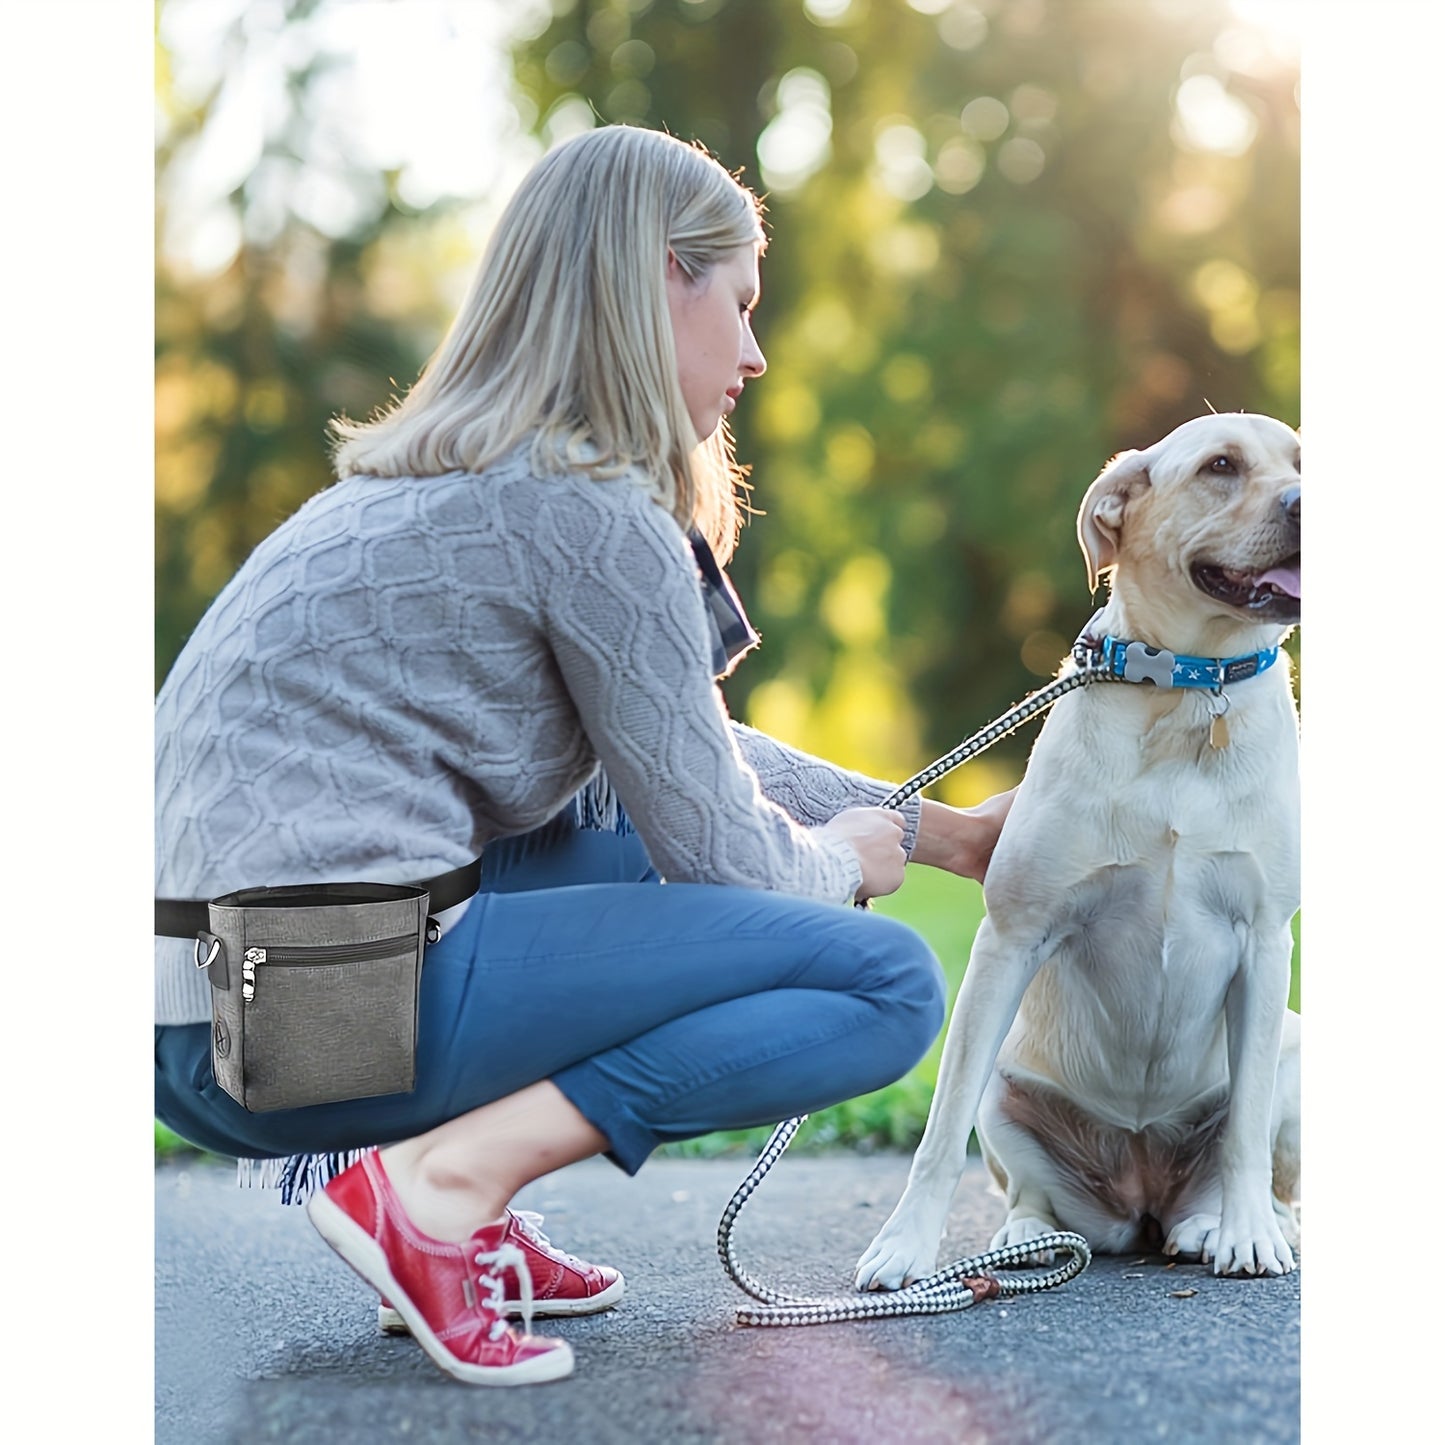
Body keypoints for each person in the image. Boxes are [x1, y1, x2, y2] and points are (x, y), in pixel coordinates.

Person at [154, 123, 1015, 1387]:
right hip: (309, 1010)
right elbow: (725, 852)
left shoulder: (445, 487)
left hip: (204, 1014)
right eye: (740, 304)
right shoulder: (589, 510)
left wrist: (940, 836)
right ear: (662, 275)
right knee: (882, 984)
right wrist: (839, 857)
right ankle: (438, 1192)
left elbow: (677, 753)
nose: (755, 353)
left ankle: (449, 1210)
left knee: (593, 843)